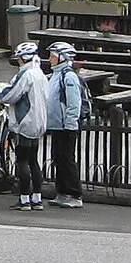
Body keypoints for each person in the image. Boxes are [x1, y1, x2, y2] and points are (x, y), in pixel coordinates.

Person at [0, 40, 50, 211]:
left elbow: (11, 95)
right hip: (39, 122)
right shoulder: (40, 74)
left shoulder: (25, 75)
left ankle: (24, 199)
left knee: (22, 160)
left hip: (24, 123)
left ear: (22, 58)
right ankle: (37, 198)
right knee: (34, 161)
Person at [47, 42, 88, 208]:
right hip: (57, 124)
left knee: (67, 159)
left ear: (62, 58)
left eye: (53, 56)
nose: (50, 59)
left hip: (66, 126)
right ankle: (62, 192)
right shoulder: (56, 75)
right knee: (58, 158)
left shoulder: (68, 76)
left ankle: (74, 194)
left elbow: (74, 103)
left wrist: (70, 123)